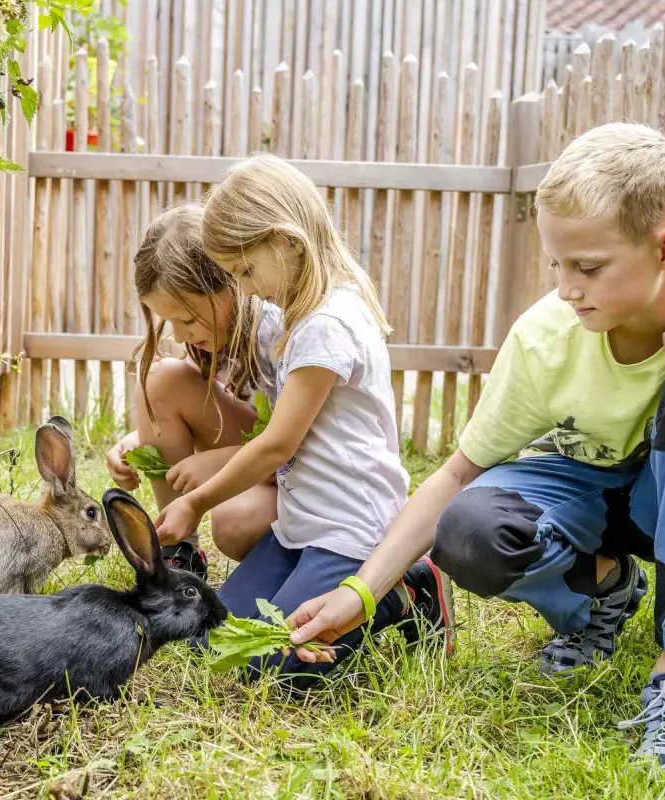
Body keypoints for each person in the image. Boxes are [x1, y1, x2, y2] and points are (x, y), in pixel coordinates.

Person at [288, 123, 665, 788]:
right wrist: (360, 590)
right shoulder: (545, 337)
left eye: (587, 267)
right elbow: (456, 472)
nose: (566, 288)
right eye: (557, 264)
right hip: (586, 488)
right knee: (470, 528)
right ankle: (603, 594)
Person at [154, 154, 454, 688]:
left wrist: (196, 501)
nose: (245, 289)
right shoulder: (300, 317)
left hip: (350, 531)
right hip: (301, 527)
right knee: (213, 639)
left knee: (271, 668)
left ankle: (405, 589)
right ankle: (331, 591)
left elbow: (277, 446)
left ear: (287, 241)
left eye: (246, 271)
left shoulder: (326, 326)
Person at [105, 204, 282, 577]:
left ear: (229, 283)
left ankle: (299, 558)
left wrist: (219, 460)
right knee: (160, 378)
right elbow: (218, 418)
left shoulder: (275, 332)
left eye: (186, 319)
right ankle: (178, 550)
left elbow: (297, 444)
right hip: (263, 456)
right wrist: (140, 442)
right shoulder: (209, 337)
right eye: (169, 321)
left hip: (301, 467)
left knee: (234, 524)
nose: (180, 335)